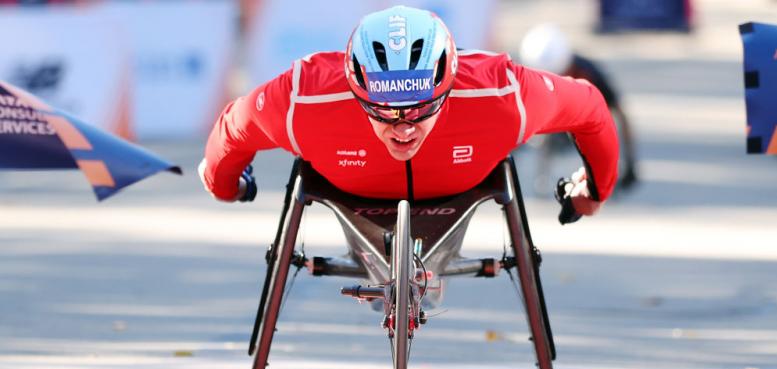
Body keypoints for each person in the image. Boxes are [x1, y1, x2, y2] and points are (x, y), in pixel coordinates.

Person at [199, 6, 619, 219]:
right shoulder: (304, 96)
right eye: (381, 109)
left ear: (451, 83)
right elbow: (591, 108)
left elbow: (231, 133)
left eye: (422, 108)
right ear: (353, 86)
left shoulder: (502, 91)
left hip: (378, 183)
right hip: (438, 181)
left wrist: (227, 185)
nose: (403, 127)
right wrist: (593, 192)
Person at [519, 23, 637, 191]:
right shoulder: (524, 75)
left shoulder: (588, 72)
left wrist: (630, 162)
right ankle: (541, 175)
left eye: (559, 74)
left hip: (578, 119)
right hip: (545, 119)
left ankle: (600, 179)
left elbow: (619, 113)